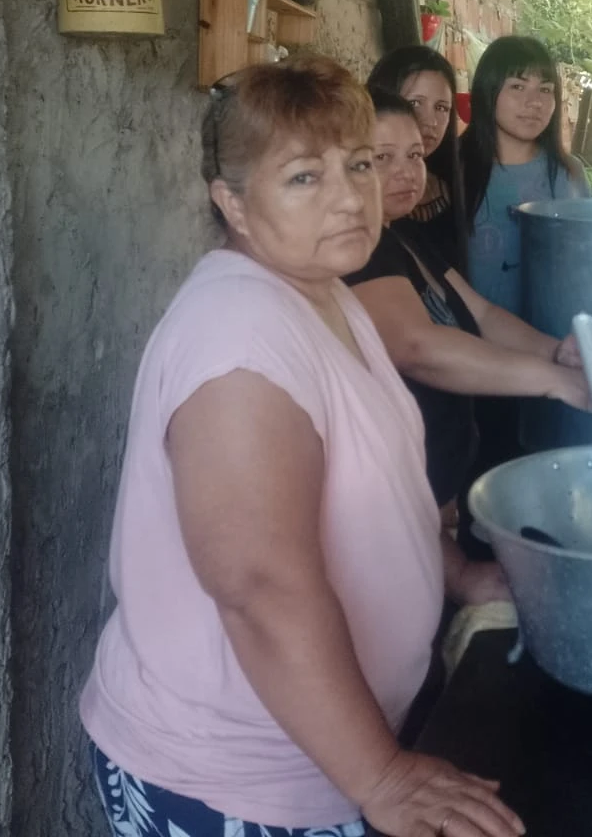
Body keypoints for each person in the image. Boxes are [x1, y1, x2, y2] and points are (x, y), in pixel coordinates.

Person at [79, 58, 524, 837]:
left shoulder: (324, 294)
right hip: (232, 777)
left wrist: (457, 576)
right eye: (302, 178)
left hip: (313, 756)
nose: (351, 196)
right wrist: (382, 776)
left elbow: (382, 493)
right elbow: (259, 585)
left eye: (357, 164)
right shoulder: (239, 338)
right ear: (233, 204)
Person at [346, 88, 591, 511]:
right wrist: (552, 381)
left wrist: (556, 353)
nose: (407, 172)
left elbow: (482, 313)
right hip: (391, 497)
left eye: (415, 155)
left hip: (436, 490)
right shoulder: (357, 251)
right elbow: (417, 347)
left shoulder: (402, 236)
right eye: (383, 158)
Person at [461, 35, 591, 319]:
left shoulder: (569, 174)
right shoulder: (451, 173)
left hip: (555, 348)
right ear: (487, 91)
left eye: (545, 90)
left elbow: (588, 270)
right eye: (518, 86)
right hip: (471, 351)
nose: (534, 102)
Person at [368, 45, 468, 271]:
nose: (430, 121)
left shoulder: (455, 181)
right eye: (414, 103)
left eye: (441, 108)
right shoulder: (362, 200)